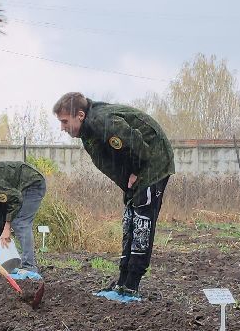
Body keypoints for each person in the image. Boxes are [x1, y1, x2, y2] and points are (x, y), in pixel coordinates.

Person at [52, 91, 173, 302]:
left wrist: (135, 171)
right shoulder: (89, 128)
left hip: (152, 165)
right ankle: (122, 282)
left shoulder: (101, 121)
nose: (62, 127)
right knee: (129, 221)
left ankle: (131, 286)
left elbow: (135, 144)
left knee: (142, 222)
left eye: (64, 121)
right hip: (140, 171)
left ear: (80, 115)